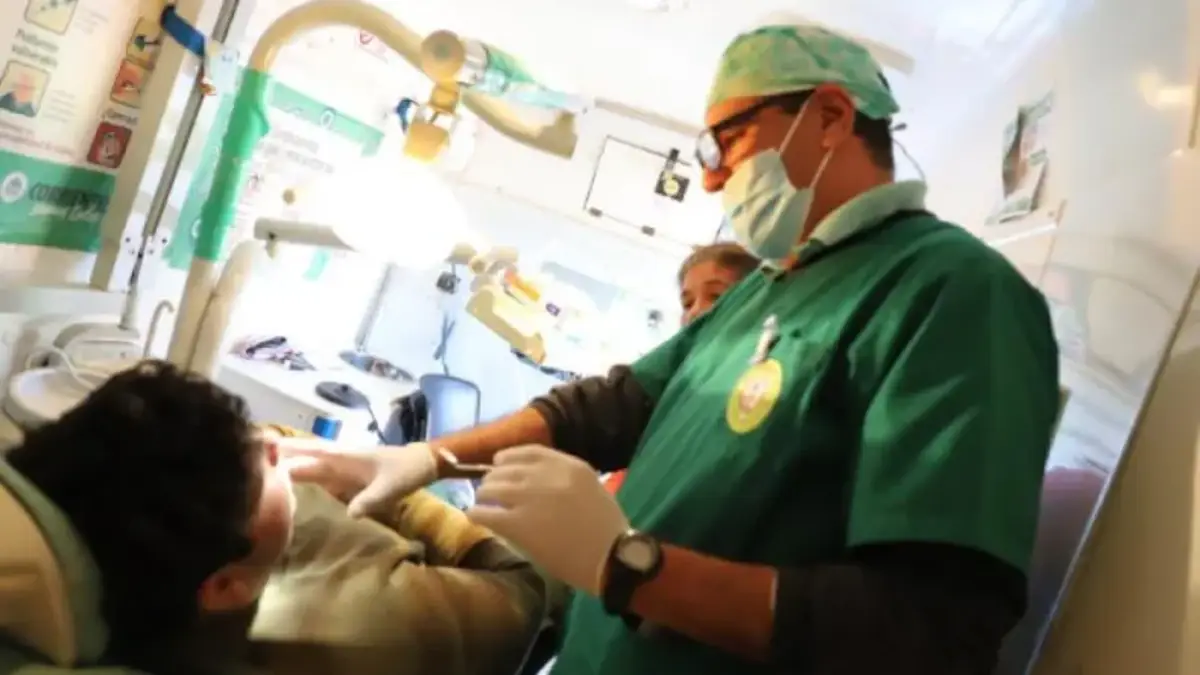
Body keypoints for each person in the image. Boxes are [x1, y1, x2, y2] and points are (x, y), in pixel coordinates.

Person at [284, 24, 1060, 675]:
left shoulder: (951, 293)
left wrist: (629, 565)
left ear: (829, 115)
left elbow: (931, 628)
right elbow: (611, 407)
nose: (714, 180)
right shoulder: (768, 286)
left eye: (728, 141)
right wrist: (426, 459)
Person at [3, 361, 545, 675]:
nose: (271, 443)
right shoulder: (374, 624)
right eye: (260, 466)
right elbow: (530, 589)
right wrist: (411, 481)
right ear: (224, 587)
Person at [602, 241, 758, 495]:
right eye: (687, 303)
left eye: (716, 296)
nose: (695, 311)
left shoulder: (755, 388)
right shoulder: (671, 384)